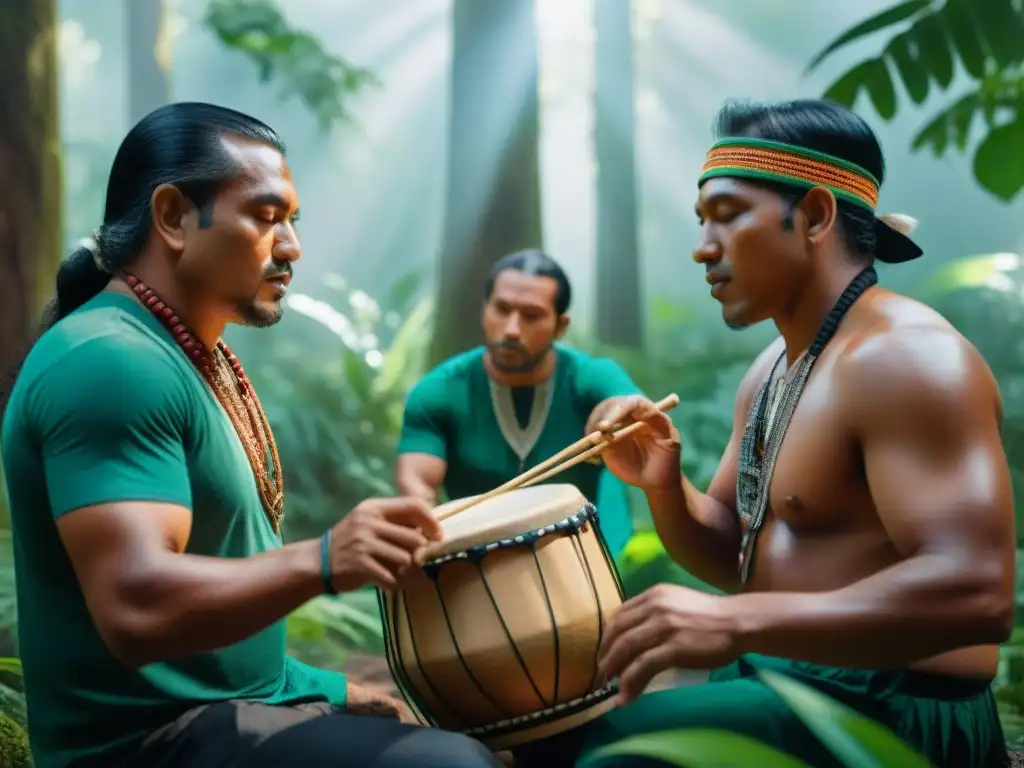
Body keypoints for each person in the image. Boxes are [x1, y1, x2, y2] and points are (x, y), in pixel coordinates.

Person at [0, 102, 501, 768]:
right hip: (146, 748)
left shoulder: (186, 357)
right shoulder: (109, 361)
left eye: (292, 221)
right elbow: (134, 606)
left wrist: (331, 688)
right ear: (174, 216)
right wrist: (323, 560)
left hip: (218, 714)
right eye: (267, 217)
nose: (292, 247)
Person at [525, 98, 1015, 768]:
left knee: (618, 749)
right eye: (701, 222)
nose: (702, 248)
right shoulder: (775, 368)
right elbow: (737, 558)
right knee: (554, 733)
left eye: (727, 217)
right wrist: (666, 487)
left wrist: (736, 623)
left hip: (888, 710)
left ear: (814, 215)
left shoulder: (909, 359)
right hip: (786, 684)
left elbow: (977, 594)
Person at [395, 249, 645, 557]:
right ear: (484, 309)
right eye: (501, 309)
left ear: (560, 326)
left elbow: (628, 408)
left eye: (531, 316)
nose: (512, 329)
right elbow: (418, 491)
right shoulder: (438, 392)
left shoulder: (589, 377)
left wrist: (611, 418)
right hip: (474, 566)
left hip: (581, 559)